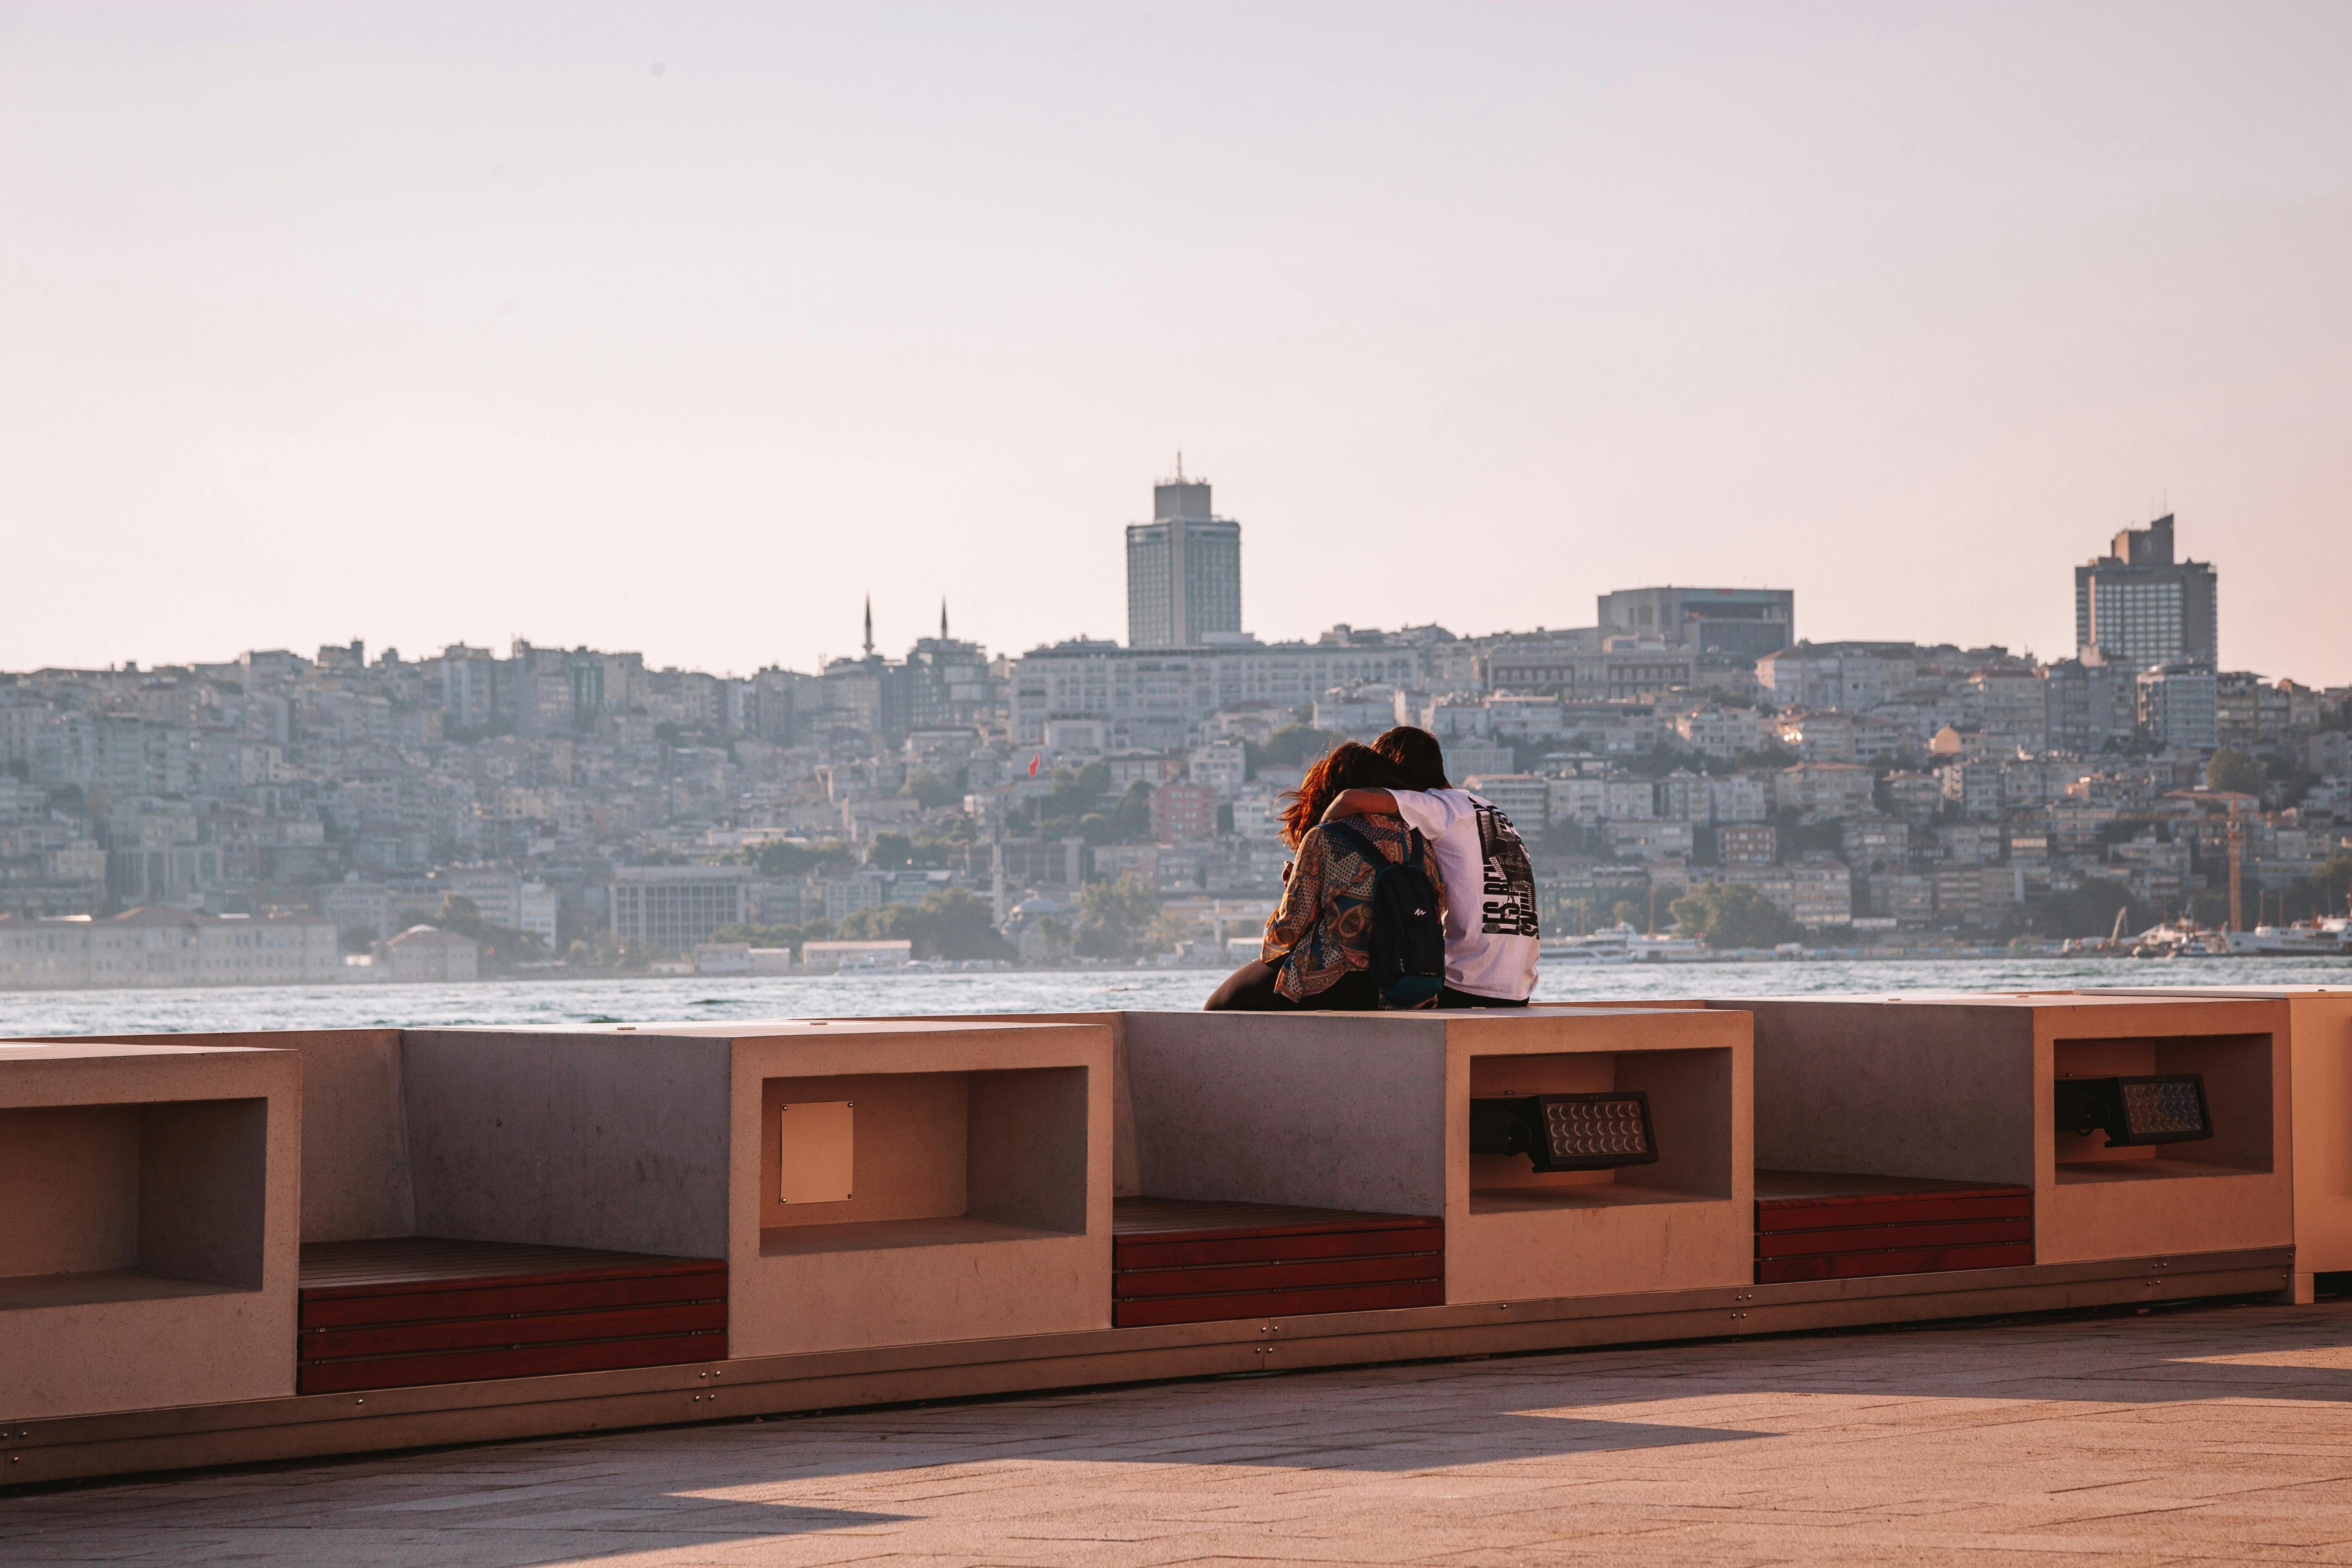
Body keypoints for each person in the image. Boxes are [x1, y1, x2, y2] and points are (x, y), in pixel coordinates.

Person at [1202, 741, 1444, 1011]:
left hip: (1340, 978)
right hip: (1406, 982)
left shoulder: (1325, 837)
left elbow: (1288, 932)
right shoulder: (1421, 840)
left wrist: (1292, 888)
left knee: (1220, 1005)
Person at [1317, 725, 1538, 1008]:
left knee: (1361, 985)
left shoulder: (1438, 806)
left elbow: (1349, 800)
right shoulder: (1489, 810)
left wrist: (1314, 850)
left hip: (1469, 985)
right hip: (1518, 988)